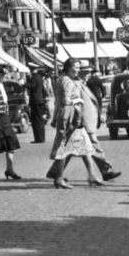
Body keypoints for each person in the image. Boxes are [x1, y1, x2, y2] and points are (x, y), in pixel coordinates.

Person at [46, 58, 98, 189]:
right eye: (76, 67)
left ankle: (91, 175)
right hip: (70, 120)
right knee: (63, 148)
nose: (78, 70)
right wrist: (79, 100)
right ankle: (58, 178)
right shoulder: (66, 81)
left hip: (73, 119)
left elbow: (57, 102)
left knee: (85, 147)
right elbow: (66, 100)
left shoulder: (62, 80)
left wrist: (53, 118)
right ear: (69, 67)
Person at [75, 68, 121, 182]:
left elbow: (90, 101)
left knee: (69, 150)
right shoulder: (76, 84)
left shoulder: (83, 84)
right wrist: (79, 119)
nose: (88, 75)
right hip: (83, 122)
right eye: (85, 72)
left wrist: (98, 114)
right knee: (92, 145)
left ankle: (56, 172)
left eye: (89, 72)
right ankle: (106, 170)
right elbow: (76, 103)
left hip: (88, 120)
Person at [26, 68, 49, 144]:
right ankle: (41, 138)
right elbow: (43, 89)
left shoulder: (34, 78)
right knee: (40, 120)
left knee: (36, 120)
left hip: (35, 102)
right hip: (40, 101)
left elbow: (31, 86)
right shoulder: (39, 78)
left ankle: (38, 138)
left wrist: (22, 83)